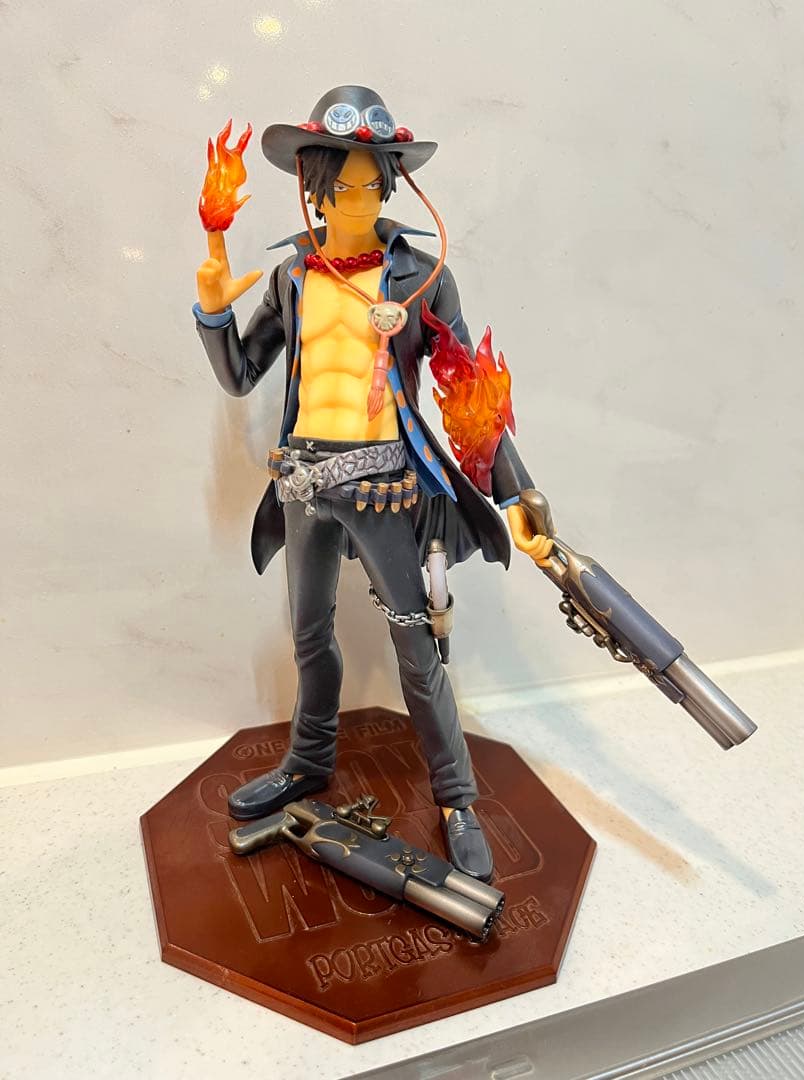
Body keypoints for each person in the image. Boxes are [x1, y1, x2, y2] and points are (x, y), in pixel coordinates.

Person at [193, 86, 552, 881]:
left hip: (386, 481)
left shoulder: (421, 278)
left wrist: (516, 496)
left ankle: (456, 798)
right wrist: (213, 314)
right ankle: (308, 760)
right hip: (301, 482)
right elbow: (242, 376)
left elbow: (469, 392)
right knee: (308, 634)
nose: (357, 200)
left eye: (371, 185)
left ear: (391, 185)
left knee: (415, 644)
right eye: (342, 186)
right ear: (314, 189)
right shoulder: (292, 277)